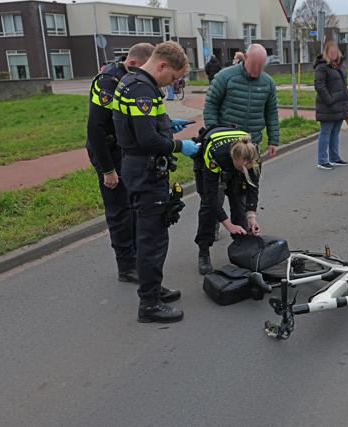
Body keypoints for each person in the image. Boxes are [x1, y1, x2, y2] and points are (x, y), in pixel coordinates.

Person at [113, 41, 199, 323]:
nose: (172, 83)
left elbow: (140, 124)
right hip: (146, 172)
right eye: (173, 77)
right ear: (162, 65)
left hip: (135, 167)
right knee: (153, 239)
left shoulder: (131, 82)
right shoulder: (143, 90)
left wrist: (166, 124)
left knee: (147, 234)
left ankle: (152, 287)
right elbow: (147, 139)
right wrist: (180, 146)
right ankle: (149, 305)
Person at [197, 43, 279, 271]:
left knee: (240, 201)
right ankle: (204, 250)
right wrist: (214, 133)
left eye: (261, 67)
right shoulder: (225, 77)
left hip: (249, 146)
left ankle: (242, 247)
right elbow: (210, 105)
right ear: (245, 59)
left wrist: (274, 139)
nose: (256, 71)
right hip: (223, 148)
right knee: (210, 204)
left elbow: (271, 112)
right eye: (253, 65)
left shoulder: (268, 83)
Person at [86, 42, 154, 284]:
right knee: (119, 211)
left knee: (132, 207)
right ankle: (125, 267)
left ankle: (134, 257)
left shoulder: (132, 79)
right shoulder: (108, 82)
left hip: (123, 150)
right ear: (133, 63)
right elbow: (95, 128)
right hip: (107, 152)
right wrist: (108, 170)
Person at [194, 128, 262, 274]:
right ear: (234, 159)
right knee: (209, 209)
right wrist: (228, 224)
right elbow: (211, 196)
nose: (245, 171)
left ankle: (241, 247)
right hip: (210, 165)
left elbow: (253, 187)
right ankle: (204, 251)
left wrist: (251, 216)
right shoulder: (215, 155)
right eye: (243, 168)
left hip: (233, 162)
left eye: (248, 168)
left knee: (240, 204)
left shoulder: (254, 155)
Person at [313, 41, 348, 170]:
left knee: (335, 134)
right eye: (331, 52)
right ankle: (322, 160)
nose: (334, 54)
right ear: (326, 53)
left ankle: (334, 158)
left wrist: (347, 103)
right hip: (327, 107)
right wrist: (330, 100)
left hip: (340, 106)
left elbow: (344, 87)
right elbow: (319, 86)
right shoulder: (322, 67)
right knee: (325, 133)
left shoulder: (339, 66)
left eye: (335, 51)